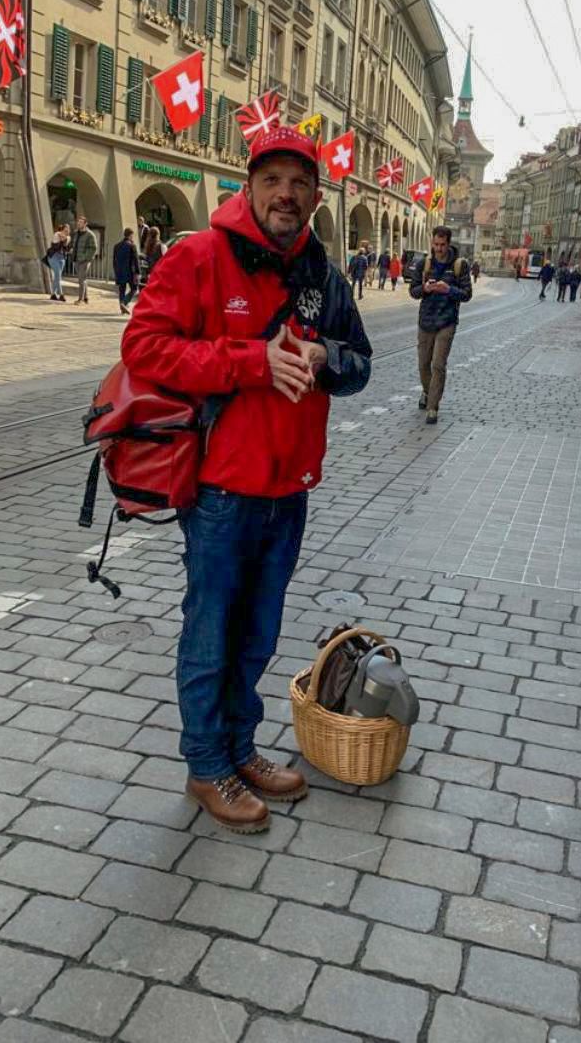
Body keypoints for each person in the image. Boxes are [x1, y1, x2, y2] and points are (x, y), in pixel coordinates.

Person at [122, 125, 371, 832]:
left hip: (288, 489)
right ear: (249, 187)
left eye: (299, 183)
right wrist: (251, 362)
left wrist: (323, 356)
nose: (285, 194)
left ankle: (238, 747)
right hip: (221, 490)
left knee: (259, 633)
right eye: (272, 181)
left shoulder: (322, 275)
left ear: (315, 196)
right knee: (212, 633)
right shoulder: (199, 255)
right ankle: (207, 765)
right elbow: (143, 347)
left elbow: (360, 363)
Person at [410, 225, 472, 425]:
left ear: (448, 243)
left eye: (442, 245)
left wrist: (448, 290)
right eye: (436, 244)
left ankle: (433, 407)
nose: (438, 249)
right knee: (423, 365)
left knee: (438, 364)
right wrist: (425, 288)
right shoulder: (424, 264)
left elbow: (467, 294)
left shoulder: (460, 265)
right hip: (426, 321)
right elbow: (413, 291)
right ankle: (428, 392)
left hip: (447, 321)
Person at [70, 214, 98, 305]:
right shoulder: (76, 233)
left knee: (81, 280)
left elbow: (93, 248)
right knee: (82, 278)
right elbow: (74, 244)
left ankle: (80, 299)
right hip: (76, 259)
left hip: (85, 261)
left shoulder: (90, 234)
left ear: (85, 224)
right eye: (78, 222)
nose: (79, 224)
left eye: (81, 222)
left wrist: (85, 257)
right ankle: (86, 298)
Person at [113, 228, 140, 315]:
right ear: (130, 235)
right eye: (132, 235)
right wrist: (138, 272)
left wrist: (116, 270)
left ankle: (122, 308)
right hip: (130, 271)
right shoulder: (132, 246)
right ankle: (124, 303)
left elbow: (114, 261)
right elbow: (136, 261)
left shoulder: (116, 246)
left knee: (122, 289)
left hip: (119, 271)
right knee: (134, 288)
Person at [47, 222, 71, 302]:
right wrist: (62, 238)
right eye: (65, 229)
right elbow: (55, 243)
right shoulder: (56, 234)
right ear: (62, 229)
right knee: (58, 275)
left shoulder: (68, 237)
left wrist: (64, 238)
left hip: (62, 258)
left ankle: (53, 294)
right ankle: (61, 294)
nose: (67, 231)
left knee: (57, 276)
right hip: (53, 257)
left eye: (68, 230)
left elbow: (65, 244)